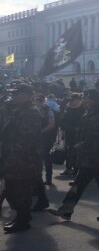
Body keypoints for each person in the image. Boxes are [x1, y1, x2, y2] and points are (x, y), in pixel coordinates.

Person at [49, 89, 99, 222]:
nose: (84, 101)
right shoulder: (89, 114)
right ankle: (66, 209)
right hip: (88, 157)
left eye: (86, 98)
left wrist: (84, 145)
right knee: (78, 184)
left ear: (92, 99)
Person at [0, 84, 42, 233]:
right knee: (13, 190)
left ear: (25, 95)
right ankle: (22, 217)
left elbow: (26, 139)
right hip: (15, 158)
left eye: (16, 94)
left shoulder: (30, 113)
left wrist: (12, 155)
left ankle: (23, 220)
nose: (14, 97)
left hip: (22, 160)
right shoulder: (22, 111)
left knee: (19, 191)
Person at [60, 93, 86, 176]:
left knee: (79, 153)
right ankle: (68, 168)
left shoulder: (84, 109)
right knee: (69, 151)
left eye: (72, 100)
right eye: (70, 100)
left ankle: (78, 170)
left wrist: (79, 129)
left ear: (78, 100)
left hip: (81, 135)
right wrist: (68, 129)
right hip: (70, 134)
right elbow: (62, 122)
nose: (70, 102)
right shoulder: (68, 109)